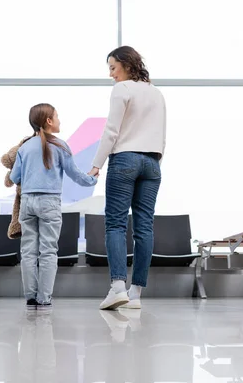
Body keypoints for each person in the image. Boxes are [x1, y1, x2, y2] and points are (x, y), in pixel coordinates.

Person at [89, 46, 166, 310]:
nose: (111, 74)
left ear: (126, 64)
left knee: (116, 225)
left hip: (124, 159)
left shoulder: (122, 89)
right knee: (145, 227)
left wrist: (96, 164)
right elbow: (162, 134)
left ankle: (117, 287)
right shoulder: (156, 93)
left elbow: (111, 131)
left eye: (112, 68)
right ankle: (136, 294)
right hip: (152, 163)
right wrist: (154, 162)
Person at [11, 103, 98, 311]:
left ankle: (30, 297)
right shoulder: (60, 146)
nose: (59, 120)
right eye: (57, 116)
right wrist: (92, 180)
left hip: (28, 202)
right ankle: (44, 298)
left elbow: (14, 177)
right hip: (50, 202)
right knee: (48, 251)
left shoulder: (24, 147)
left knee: (28, 251)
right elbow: (75, 175)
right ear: (48, 121)